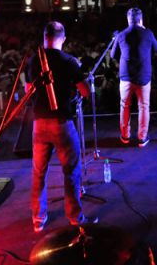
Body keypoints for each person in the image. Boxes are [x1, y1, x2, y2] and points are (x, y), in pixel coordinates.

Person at [26, 21, 92, 233]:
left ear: (45, 38)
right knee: (70, 170)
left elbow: (28, 90)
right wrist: (84, 81)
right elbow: (85, 92)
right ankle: (74, 217)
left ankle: (38, 218)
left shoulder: (34, 60)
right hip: (62, 123)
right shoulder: (69, 61)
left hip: (39, 123)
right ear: (62, 38)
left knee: (38, 172)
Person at [111, 8, 157, 147]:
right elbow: (156, 47)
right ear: (141, 19)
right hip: (143, 76)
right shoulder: (147, 33)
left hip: (125, 76)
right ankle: (141, 138)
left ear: (128, 19)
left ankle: (125, 136)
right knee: (144, 106)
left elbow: (113, 55)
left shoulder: (121, 35)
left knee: (124, 106)